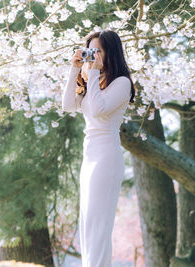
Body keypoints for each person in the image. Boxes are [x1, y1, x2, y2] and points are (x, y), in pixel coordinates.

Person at [61, 30, 136, 266]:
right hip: (89, 155)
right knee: (87, 222)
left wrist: (91, 73)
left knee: (99, 224)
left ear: (109, 53)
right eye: (89, 51)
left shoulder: (121, 83)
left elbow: (97, 110)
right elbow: (68, 106)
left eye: (97, 51)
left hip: (106, 157)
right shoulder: (95, 79)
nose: (92, 56)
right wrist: (75, 69)